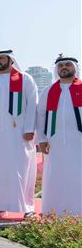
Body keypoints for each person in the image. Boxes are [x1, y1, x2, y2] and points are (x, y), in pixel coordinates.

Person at [0, 50, 38, 219]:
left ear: (11, 60)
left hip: (19, 134)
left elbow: (33, 104)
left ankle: (27, 207)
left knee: (22, 169)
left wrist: (29, 129)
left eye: (2, 58)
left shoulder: (25, 79)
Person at [36, 56, 82, 216]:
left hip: (79, 142)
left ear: (75, 67)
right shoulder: (48, 91)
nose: (64, 67)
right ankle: (54, 213)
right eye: (61, 65)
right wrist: (41, 139)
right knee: (56, 177)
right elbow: (40, 116)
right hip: (53, 143)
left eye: (68, 65)